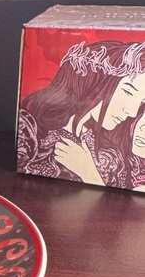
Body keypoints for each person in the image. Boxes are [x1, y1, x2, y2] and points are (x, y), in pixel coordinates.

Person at [17, 40, 145, 185]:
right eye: (128, 92)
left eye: (141, 102)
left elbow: (118, 195)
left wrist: (89, 173)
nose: (132, 112)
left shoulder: (112, 153)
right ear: (96, 79)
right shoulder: (30, 132)